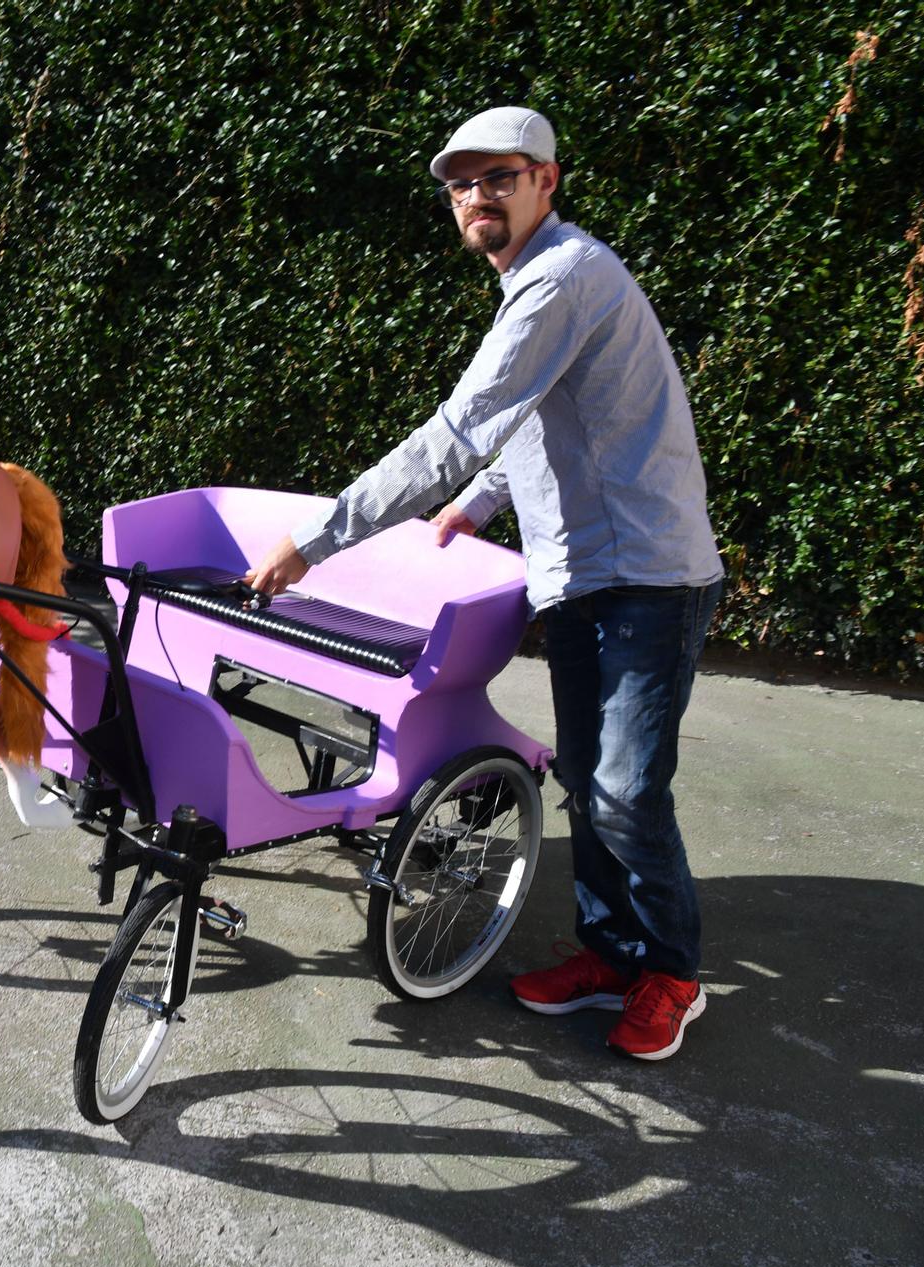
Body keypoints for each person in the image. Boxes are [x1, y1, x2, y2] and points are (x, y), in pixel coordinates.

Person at [246, 106, 725, 1061]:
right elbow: (551, 422)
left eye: (498, 177)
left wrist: (314, 540)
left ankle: (671, 970)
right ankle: (610, 950)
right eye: (461, 183)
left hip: (646, 575)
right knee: (590, 782)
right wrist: (473, 506)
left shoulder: (561, 277)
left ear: (548, 181)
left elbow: (464, 424)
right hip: (582, 572)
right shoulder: (542, 284)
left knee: (627, 789)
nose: (476, 196)